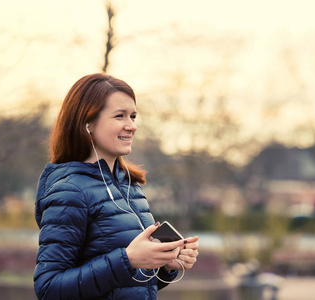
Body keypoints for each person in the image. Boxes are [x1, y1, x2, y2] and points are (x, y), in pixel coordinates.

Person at [34, 73, 199, 299]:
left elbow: (128, 286)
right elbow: (49, 288)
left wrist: (165, 265)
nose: (132, 126)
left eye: (133, 116)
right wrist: (128, 259)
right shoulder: (70, 191)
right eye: (120, 116)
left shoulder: (131, 187)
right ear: (88, 123)